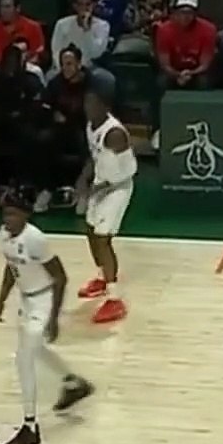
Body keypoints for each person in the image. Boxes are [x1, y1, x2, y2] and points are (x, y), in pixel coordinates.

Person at [0, 198, 94, 444]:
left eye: (14, 214)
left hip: (44, 299)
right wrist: (1, 299)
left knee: (23, 359)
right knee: (35, 349)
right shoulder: (4, 234)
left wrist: (53, 318)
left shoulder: (36, 240)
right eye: (6, 214)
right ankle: (73, 383)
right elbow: (11, 267)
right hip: (26, 300)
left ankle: (30, 426)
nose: (8, 219)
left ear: (25, 215)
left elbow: (60, 277)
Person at [75, 90, 134, 323]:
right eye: (86, 103)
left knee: (102, 239)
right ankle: (102, 278)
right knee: (90, 231)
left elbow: (125, 171)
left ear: (105, 106)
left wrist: (93, 190)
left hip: (118, 188)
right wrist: (83, 179)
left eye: (93, 104)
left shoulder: (115, 134)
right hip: (101, 185)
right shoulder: (91, 127)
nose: (88, 108)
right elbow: (94, 157)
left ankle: (115, 300)